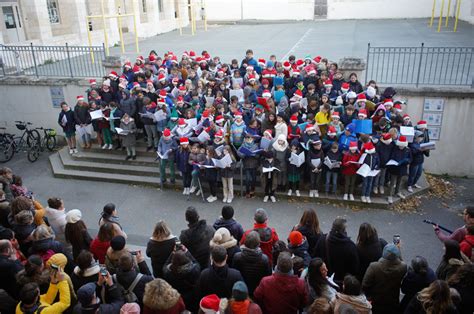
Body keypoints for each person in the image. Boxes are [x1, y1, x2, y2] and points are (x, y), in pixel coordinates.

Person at [362, 243, 408, 314]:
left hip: (376, 302)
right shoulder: (403, 268)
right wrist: (398, 251)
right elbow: (402, 262)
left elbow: (365, 284)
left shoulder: (374, 267)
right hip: (393, 302)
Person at [314, 217, 359, 286]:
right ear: (344, 230)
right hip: (342, 283)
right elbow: (355, 269)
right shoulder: (350, 246)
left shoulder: (322, 240)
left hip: (325, 280)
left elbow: (315, 258)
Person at [232, 231, 272, 296]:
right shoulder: (264, 259)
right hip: (258, 290)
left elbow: (234, 273)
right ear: (258, 244)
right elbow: (268, 276)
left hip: (241, 289)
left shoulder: (237, 257)